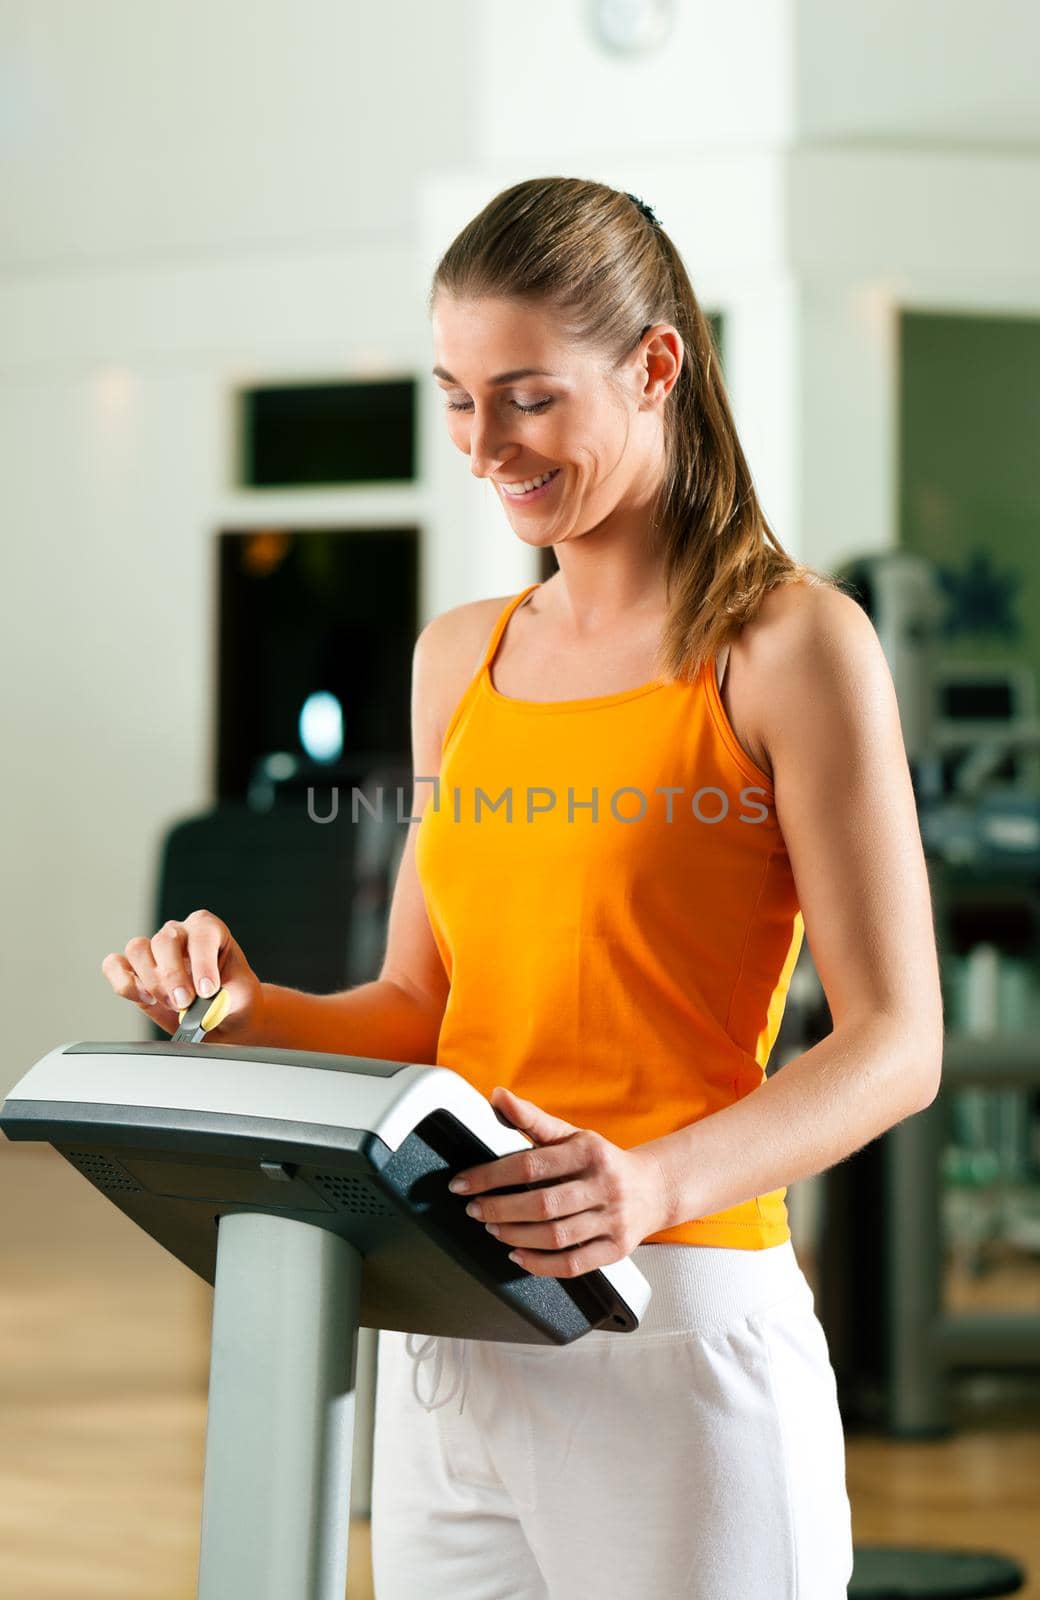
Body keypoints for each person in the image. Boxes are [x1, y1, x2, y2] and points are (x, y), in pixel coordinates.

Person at [101, 177, 944, 1599]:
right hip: (455, 1336)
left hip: (677, 1333)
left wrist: (649, 1185)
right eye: (456, 398)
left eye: (529, 398)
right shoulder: (462, 657)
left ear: (655, 366)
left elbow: (897, 1043)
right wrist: (243, 1011)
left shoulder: (790, 645)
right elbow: (423, 1009)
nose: (485, 447)